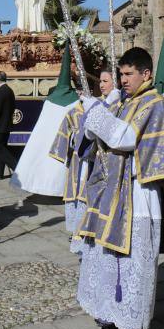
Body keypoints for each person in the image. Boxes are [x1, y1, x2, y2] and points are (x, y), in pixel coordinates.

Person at [75, 48, 164, 329]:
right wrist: (100, 111)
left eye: (128, 74)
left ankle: (133, 324)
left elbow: (124, 138)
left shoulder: (153, 103)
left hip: (138, 194)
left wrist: (95, 112)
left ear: (146, 74)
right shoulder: (126, 102)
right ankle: (113, 313)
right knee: (111, 259)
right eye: (120, 74)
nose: (122, 80)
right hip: (113, 193)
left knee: (134, 262)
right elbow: (97, 139)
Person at [50, 68, 118, 254]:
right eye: (101, 82)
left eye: (106, 81)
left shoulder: (112, 107)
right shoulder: (74, 112)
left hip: (101, 162)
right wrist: (74, 141)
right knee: (77, 197)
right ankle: (77, 234)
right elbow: (65, 136)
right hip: (80, 163)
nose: (102, 85)